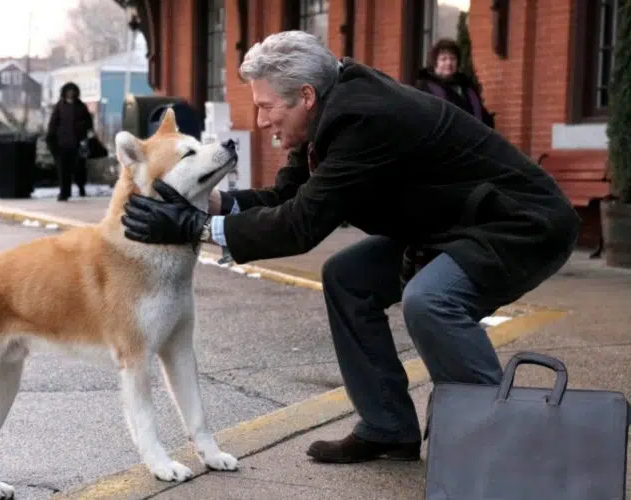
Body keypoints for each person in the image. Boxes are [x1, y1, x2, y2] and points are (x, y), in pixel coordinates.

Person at [120, 31, 580, 464]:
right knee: (347, 277)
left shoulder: (364, 119)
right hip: (454, 224)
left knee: (431, 301)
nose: (261, 123)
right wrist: (209, 202)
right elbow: (287, 199)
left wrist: (193, 227)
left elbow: (300, 226)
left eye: (266, 107)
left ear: (304, 96)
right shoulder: (326, 110)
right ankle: (387, 426)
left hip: (520, 223)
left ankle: (508, 443)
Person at [415, 38, 495, 129]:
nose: (449, 63)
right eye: (443, 59)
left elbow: (480, 113)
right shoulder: (424, 88)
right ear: (435, 63)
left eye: (452, 58)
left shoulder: (467, 86)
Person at [45, 82, 94, 201]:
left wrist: (82, 130)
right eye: (68, 91)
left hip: (77, 144)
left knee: (79, 168)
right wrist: (51, 139)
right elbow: (53, 124)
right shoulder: (60, 106)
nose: (71, 93)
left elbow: (89, 123)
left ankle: (81, 187)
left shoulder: (81, 106)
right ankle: (64, 193)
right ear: (64, 92)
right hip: (62, 143)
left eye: (73, 91)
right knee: (63, 169)